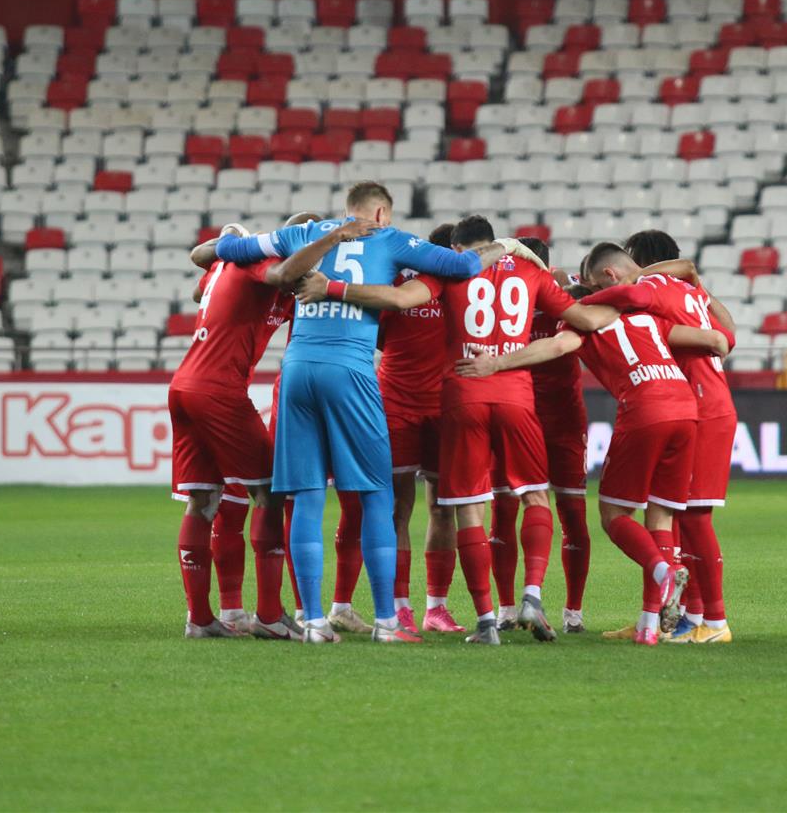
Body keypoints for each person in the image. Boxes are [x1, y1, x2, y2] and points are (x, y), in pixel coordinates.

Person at [212, 183, 521, 644]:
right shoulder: (390, 239)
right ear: (380, 211)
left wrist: (221, 244)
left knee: (309, 497)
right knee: (377, 495)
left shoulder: (306, 233)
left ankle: (313, 622)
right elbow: (460, 265)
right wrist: (506, 247)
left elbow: (228, 249)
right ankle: (387, 622)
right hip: (350, 371)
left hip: (296, 370)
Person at [296, 217, 617, 645]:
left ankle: (483, 620)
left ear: (456, 247)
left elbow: (395, 299)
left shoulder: (446, 272)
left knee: (465, 508)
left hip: (461, 396)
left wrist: (331, 289)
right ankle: (531, 596)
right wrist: (635, 298)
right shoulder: (530, 270)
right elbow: (583, 319)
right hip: (512, 397)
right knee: (533, 496)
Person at [455, 269, 729, 644]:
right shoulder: (649, 319)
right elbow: (714, 338)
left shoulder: (583, 325)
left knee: (615, 516)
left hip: (645, 408)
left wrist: (497, 364)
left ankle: (664, 570)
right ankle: (649, 628)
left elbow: (553, 347)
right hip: (687, 409)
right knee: (660, 516)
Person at [171, 219, 370, 639]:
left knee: (204, 500)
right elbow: (276, 272)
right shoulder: (257, 263)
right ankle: (269, 615)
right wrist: (332, 237)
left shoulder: (235, 273)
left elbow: (202, 284)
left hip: (184, 385)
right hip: (220, 389)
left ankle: (201, 620)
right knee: (270, 492)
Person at [582, 236, 738, 644]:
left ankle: (713, 621)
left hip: (697, 404)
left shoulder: (648, 292)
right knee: (673, 513)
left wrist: (574, 298)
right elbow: (727, 337)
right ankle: (683, 616)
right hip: (703, 402)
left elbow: (628, 296)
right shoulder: (688, 293)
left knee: (691, 516)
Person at [487, 238, 593, 634]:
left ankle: (519, 610)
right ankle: (559, 613)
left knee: (513, 512)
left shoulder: (556, 296)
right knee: (563, 514)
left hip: (531, 416)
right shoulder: (549, 296)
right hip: (534, 416)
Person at [375, 222, 466, 634]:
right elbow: (378, 332)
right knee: (399, 507)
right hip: (396, 403)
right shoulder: (396, 281)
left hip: (443, 405)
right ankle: (400, 606)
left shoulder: (461, 288)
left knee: (439, 506)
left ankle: (435, 607)